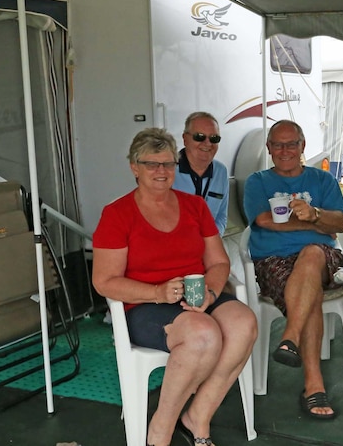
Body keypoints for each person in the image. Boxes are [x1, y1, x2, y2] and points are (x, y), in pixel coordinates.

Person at [92, 128, 257, 446]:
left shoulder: (194, 207)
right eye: (151, 164)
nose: (161, 171)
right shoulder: (117, 215)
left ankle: (198, 416)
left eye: (168, 164)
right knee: (203, 335)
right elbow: (104, 281)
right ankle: (160, 430)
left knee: (244, 323)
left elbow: (219, 263)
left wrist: (209, 292)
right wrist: (156, 292)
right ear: (134, 168)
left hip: (197, 295)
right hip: (144, 304)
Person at [242, 119, 343, 420]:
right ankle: (314, 386)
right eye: (278, 144)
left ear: (302, 146)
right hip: (273, 260)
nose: (285, 150)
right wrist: (313, 223)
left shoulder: (322, 180)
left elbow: (339, 222)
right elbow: (263, 220)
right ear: (269, 148)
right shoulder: (258, 181)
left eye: (292, 144)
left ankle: (290, 337)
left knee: (313, 254)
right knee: (309, 291)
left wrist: (315, 214)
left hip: (322, 256)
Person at [173, 111, 229, 235]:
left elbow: (221, 217)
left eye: (214, 138)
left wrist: (210, 240)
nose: (208, 143)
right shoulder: (167, 170)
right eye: (199, 136)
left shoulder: (221, 172)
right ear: (185, 139)